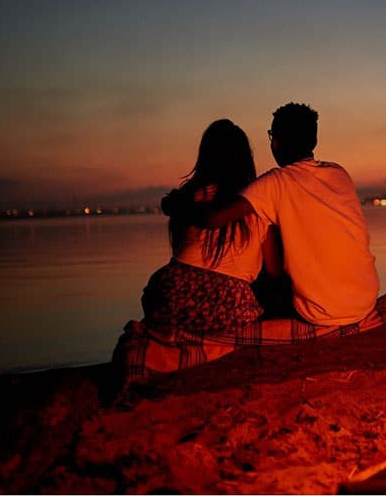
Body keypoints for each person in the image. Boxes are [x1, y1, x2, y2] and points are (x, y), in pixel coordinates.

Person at [112, 119, 283, 383]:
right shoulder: (255, 203)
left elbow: (180, 247)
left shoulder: (187, 199)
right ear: (245, 159)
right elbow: (273, 270)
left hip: (174, 295)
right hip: (229, 306)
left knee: (155, 287)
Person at [203, 102, 381, 328]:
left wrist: (178, 205)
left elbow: (214, 219)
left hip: (322, 313)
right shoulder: (338, 173)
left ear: (275, 142)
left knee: (264, 245)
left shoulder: (275, 183)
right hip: (365, 301)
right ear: (313, 141)